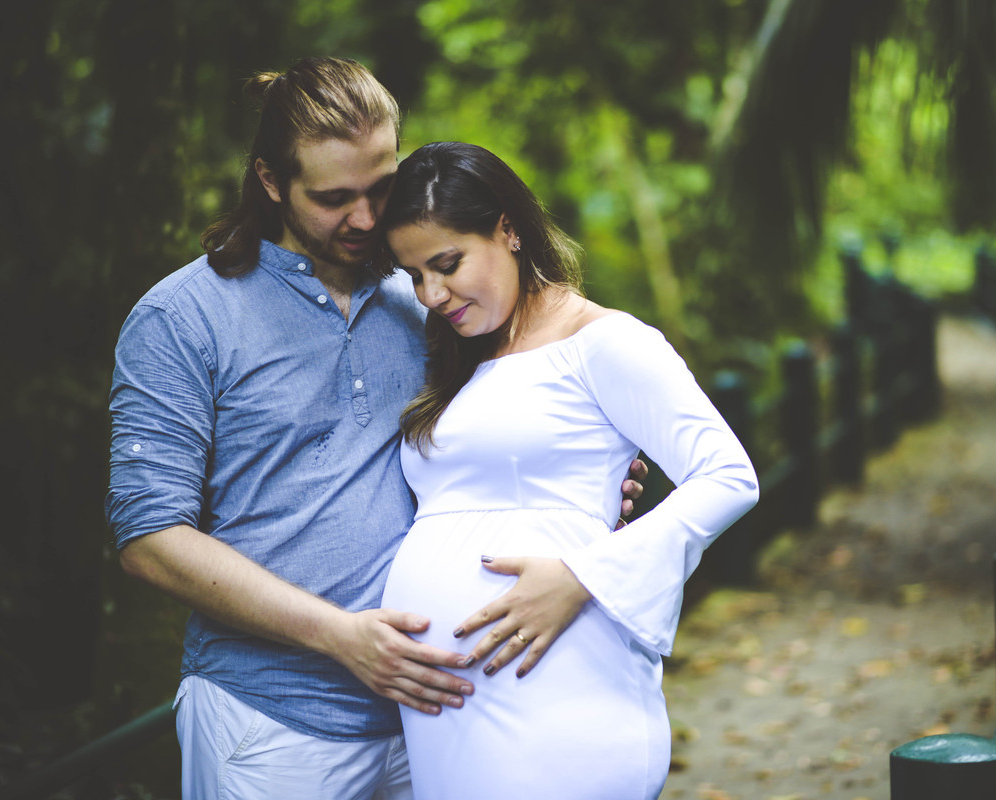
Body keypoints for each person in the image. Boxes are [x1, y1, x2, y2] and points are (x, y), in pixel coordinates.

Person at [104, 58, 646, 800]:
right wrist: (339, 636)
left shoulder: (429, 299)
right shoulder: (182, 318)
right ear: (270, 181)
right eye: (333, 198)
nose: (364, 220)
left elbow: (503, 442)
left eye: (380, 189)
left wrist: (587, 485)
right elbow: (149, 542)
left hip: (443, 720)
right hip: (271, 728)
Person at [380, 141, 760, 799]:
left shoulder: (605, 343)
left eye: (446, 264)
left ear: (508, 229)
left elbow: (728, 476)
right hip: (451, 715)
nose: (431, 294)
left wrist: (584, 574)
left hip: (556, 693)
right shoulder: (458, 355)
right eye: (414, 275)